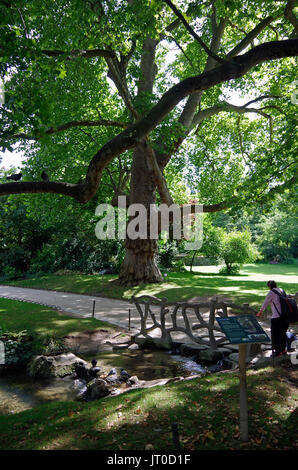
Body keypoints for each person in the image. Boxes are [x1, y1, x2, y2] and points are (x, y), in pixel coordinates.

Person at [257, 280, 289, 357]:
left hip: (276, 317)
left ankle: (277, 352)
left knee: (275, 335)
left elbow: (265, 303)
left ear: (269, 286)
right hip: (285, 317)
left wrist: (260, 311)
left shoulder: (271, 293)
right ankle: (283, 350)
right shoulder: (282, 290)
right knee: (283, 334)